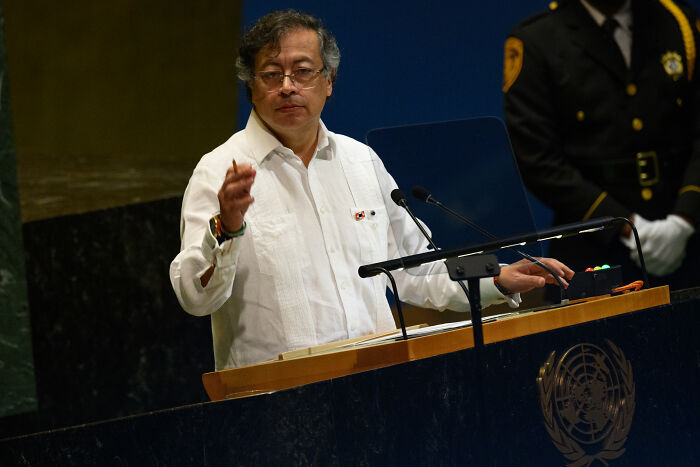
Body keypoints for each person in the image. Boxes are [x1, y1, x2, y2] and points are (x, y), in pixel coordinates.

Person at [170, 10, 573, 370]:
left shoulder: (361, 161)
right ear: (251, 87)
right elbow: (194, 298)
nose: (288, 86)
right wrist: (227, 226)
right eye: (272, 74)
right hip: (276, 402)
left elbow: (416, 270)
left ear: (329, 82)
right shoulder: (219, 171)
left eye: (303, 71)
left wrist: (497, 278)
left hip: (374, 387)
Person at [503, 0, 700, 290]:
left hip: (687, 237)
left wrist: (685, 219)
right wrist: (625, 225)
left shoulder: (677, 22)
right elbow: (536, 159)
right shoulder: (537, 39)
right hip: (593, 246)